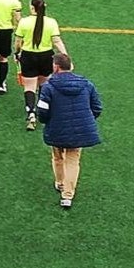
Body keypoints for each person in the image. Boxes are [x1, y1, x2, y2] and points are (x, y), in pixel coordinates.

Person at [36, 53, 102, 209]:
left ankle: (60, 183)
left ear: (56, 67)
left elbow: (42, 110)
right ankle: (67, 195)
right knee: (73, 160)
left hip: (56, 128)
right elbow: (97, 107)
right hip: (80, 130)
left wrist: (46, 121)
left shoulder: (48, 86)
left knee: (57, 156)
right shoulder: (87, 84)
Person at [15, 0, 68, 131]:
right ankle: (44, 109)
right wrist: (65, 56)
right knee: (44, 84)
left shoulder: (24, 22)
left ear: (32, 8)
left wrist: (17, 53)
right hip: (46, 56)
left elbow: (18, 42)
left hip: (28, 56)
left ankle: (31, 114)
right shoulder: (51, 22)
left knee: (29, 86)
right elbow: (56, 41)